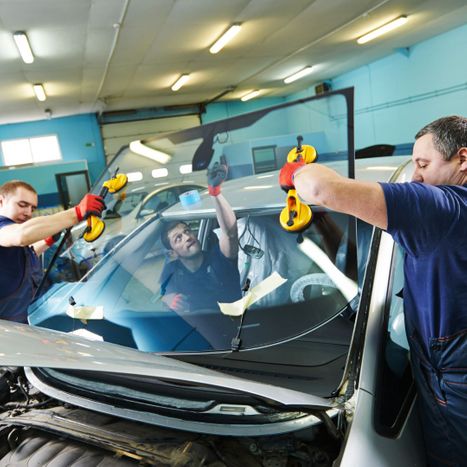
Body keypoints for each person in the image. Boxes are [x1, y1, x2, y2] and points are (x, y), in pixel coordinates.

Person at [280, 115, 467, 467]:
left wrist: (297, 171)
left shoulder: (439, 207)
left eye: (424, 164)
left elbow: (320, 190)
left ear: (463, 159)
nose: (416, 176)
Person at [0, 180, 105, 323]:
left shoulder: (10, 232)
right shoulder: (8, 230)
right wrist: (76, 212)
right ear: (1, 201)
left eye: (32, 208)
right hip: (15, 325)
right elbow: (21, 236)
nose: (28, 213)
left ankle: (111, 316)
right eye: (22, 205)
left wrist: (46, 241)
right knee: (92, 316)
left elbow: (20, 257)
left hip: (36, 308)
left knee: (96, 309)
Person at [159, 162, 242, 313]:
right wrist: (167, 299)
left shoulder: (218, 257)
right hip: (201, 330)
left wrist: (215, 193)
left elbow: (229, 233)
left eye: (187, 231)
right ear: (172, 253)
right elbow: (161, 294)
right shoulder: (173, 271)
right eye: (178, 238)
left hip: (238, 323)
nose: (187, 237)